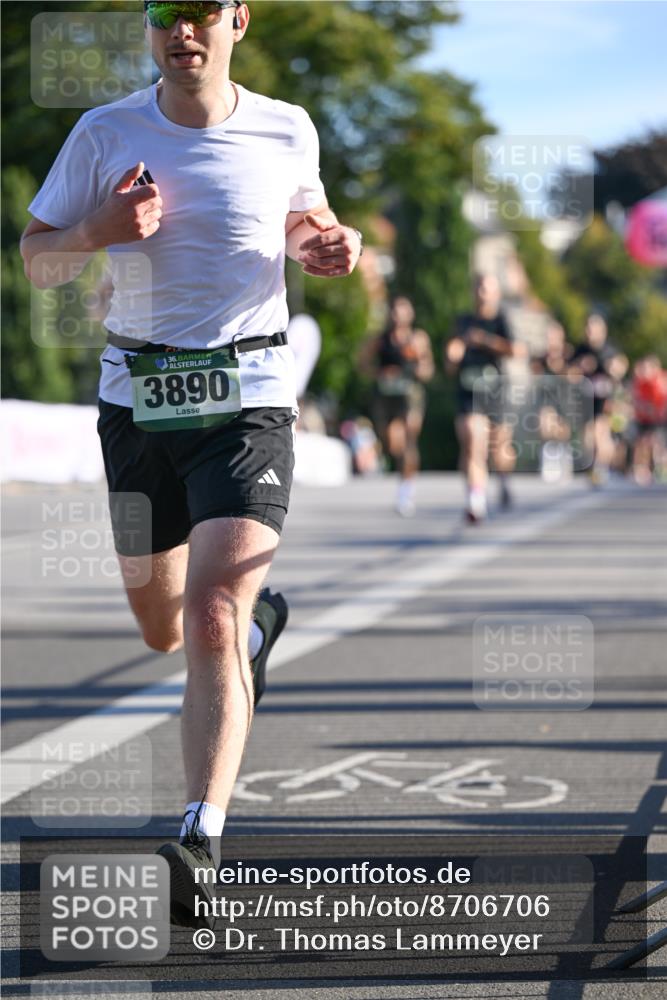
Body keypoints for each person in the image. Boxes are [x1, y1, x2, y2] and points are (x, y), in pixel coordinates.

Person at [20, 0, 362, 928]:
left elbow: (305, 222)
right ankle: (254, 636)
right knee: (161, 627)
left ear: (237, 21)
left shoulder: (287, 126)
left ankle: (199, 837)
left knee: (212, 611)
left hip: (249, 396)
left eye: (201, 12)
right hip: (137, 402)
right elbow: (37, 260)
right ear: (149, 27)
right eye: (165, 13)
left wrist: (330, 245)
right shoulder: (106, 132)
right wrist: (97, 231)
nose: (183, 31)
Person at [445, 274, 524, 522]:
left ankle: (503, 478)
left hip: (495, 391)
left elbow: (517, 350)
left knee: (499, 449)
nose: (482, 293)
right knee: (472, 442)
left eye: (487, 289)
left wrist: (485, 341)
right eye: (479, 288)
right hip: (469, 390)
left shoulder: (501, 320)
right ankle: (475, 500)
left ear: (496, 293)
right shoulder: (463, 322)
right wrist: (453, 355)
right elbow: (450, 358)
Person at [363, 296, 434, 516]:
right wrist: (381, 373)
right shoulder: (380, 340)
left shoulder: (417, 339)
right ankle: (403, 475)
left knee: (409, 439)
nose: (398, 316)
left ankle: (406, 489)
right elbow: (363, 364)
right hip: (386, 397)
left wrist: (417, 366)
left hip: (410, 395)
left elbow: (428, 370)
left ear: (410, 314)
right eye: (394, 311)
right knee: (394, 443)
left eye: (402, 311)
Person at [570, 312, 620, 486]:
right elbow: (570, 373)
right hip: (585, 399)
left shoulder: (609, 350)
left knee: (600, 433)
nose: (590, 332)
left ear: (602, 330)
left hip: (603, 399)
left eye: (593, 328)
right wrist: (580, 367)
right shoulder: (581, 350)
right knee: (587, 437)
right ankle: (596, 465)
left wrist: (612, 368)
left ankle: (600, 468)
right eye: (588, 328)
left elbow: (619, 369)